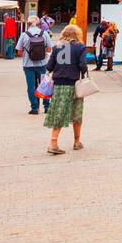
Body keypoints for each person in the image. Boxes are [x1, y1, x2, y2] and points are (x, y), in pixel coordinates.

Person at [43, 23, 89, 154]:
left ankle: (53, 142)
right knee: (77, 113)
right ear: (77, 34)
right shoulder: (79, 47)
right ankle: (76, 142)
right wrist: (83, 72)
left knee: (59, 112)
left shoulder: (57, 47)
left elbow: (50, 66)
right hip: (73, 85)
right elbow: (82, 65)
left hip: (58, 85)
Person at [16, 16, 51, 115]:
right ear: (39, 23)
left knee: (31, 86)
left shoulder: (24, 35)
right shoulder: (44, 33)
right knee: (44, 85)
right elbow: (49, 49)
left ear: (28, 23)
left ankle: (34, 108)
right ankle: (47, 106)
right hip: (42, 64)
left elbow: (19, 52)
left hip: (28, 65)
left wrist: (29, 53)